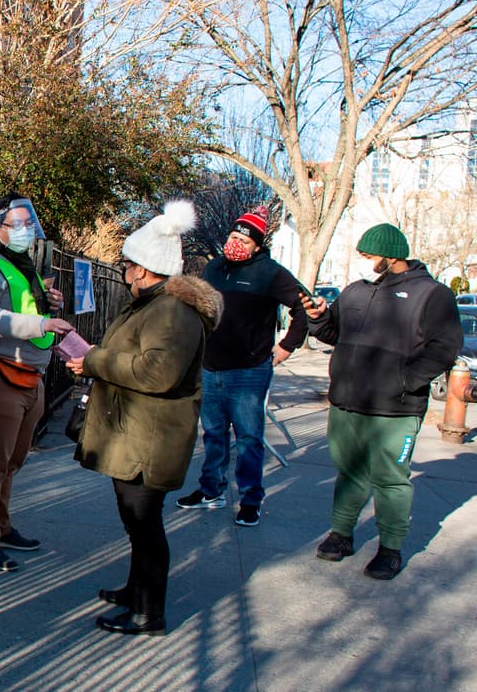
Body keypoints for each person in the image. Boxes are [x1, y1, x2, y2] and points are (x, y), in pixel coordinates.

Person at [66, 201, 222, 635]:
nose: (124, 270)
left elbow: (159, 371)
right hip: (138, 433)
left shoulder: (170, 310)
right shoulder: (152, 305)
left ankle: (149, 611)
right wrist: (94, 360)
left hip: (149, 439)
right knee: (137, 522)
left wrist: (95, 361)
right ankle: (137, 590)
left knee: (145, 524)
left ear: (144, 268)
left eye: (128, 264)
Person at [300, 223, 461, 580]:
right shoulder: (356, 291)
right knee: (349, 471)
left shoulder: (432, 294)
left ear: (391, 257)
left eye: (369, 256)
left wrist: (405, 381)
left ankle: (390, 549)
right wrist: (317, 318)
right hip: (346, 402)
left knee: (390, 479)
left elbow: (445, 348)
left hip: (395, 408)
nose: (364, 261)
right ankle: (341, 535)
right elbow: (332, 333)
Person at [0, 193, 73, 571]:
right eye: (17, 224)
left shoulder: (20, 266)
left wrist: (47, 303)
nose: (26, 231)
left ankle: (1, 526)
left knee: (12, 461)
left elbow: (22, 306)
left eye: (29, 224)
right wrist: (42, 323)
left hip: (28, 375)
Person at [176, 206, 308, 527]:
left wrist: (287, 346)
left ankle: (250, 498)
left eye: (244, 241)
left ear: (257, 246)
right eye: (233, 237)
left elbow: (305, 306)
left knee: (249, 436)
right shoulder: (214, 269)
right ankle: (211, 490)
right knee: (213, 433)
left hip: (249, 371)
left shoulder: (270, 273)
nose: (236, 243)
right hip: (211, 366)